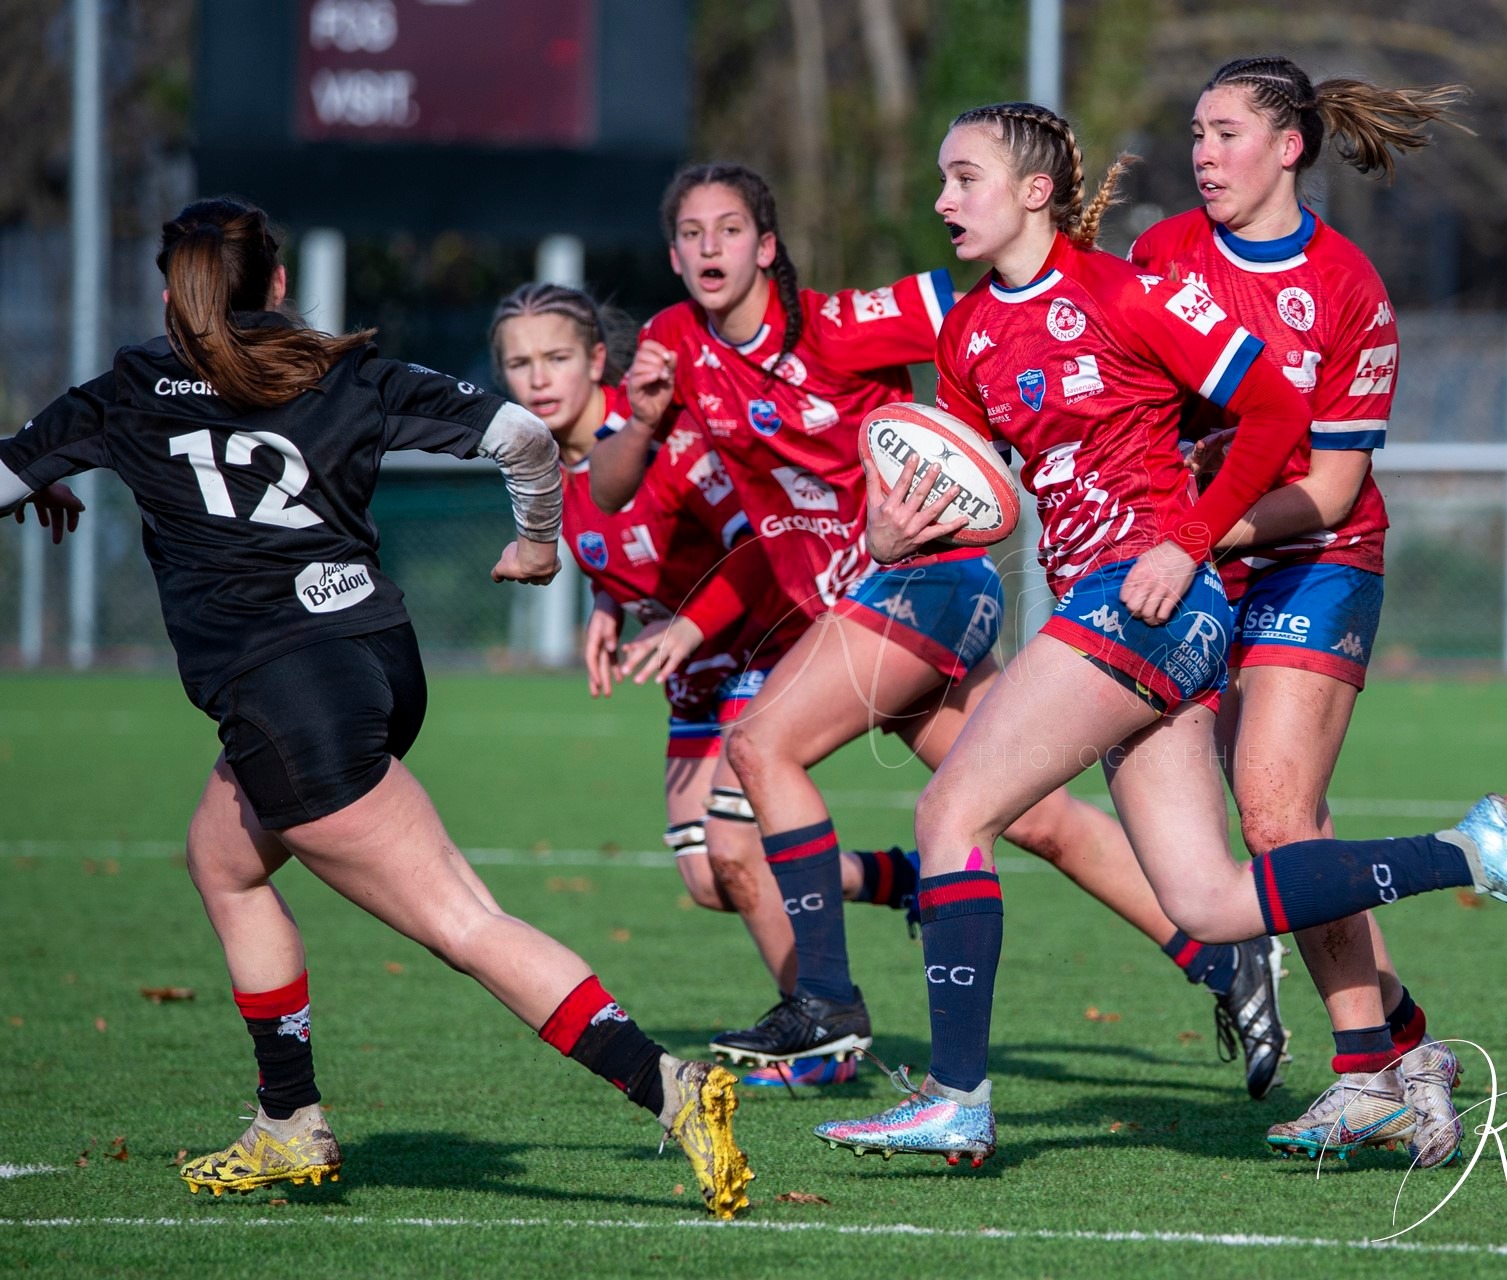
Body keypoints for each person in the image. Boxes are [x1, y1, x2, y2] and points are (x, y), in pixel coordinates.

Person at [812, 102, 1507, 1166]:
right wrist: (888, 530)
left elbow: (1275, 412)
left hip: (1147, 602)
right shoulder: (966, 331)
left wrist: (1185, 540)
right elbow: (966, 490)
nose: (942, 200)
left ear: (1032, 191)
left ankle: (956, 1094)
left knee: (953, 803)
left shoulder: (1123, 291)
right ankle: (1471, 848)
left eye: (964, 179)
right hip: (1112, 607)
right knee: (1210, 900)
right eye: (942, 182)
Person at [0, 199, 752, 1216]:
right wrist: (537, 539)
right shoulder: (339, 367)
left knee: (463, 921)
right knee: (222, 860)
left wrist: (38, 475)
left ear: (169, 293)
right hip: (374, 662)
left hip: (289, 699)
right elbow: (526, 438)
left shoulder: (131, 388)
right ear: (275, 282)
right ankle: (287, 1120)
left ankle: (668, 1085)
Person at [594, 163, 1292, 1097]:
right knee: (1034, 817)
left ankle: (827, 1007)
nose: (707, 248)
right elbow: (605, 492)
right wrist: (636, 431)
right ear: (673, 252)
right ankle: (1224, 960)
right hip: (870, 607)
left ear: (768, 248)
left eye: (728, 230)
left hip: (924, 581)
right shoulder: (673, 342)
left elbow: (997, 301)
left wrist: (1070, 266)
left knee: (761, 746)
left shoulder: (844, 326)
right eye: (689, 233)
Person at [1129, 55, 1471, 1166]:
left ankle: (1360, 1072)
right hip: (1196, 561)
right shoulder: (1159, 255)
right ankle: (1401, 1040)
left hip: (1315, 558)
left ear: (1288, 147)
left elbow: (1325, 489)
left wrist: (1189, 532)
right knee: (1274, 835)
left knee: (1276, 813)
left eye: (1225, 133)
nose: (1201, 154)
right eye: (1193, 133)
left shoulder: (1345, 288)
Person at [490, 281, 920, 1087]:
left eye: (554, 358)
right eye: (517, 364)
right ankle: (904, 879)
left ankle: (825, 1042)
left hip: (762, 640)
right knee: (709, 875)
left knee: (737, 855)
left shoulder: (668, 438)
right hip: (692, 674)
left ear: (595, 360)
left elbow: (760, 548)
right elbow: (611, 544)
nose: (536, 378)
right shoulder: (550, 463)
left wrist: (686, 623)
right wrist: (609, 603)